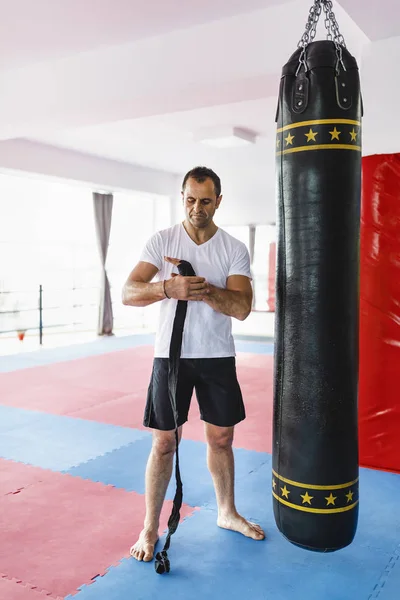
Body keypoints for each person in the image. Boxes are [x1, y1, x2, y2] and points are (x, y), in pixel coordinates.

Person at [122, 166, 265, 563]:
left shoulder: (234, 248)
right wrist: (170, 287)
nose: (196, 208)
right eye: (189, 199)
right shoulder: (162, 240)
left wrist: (199, 288)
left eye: (205, 200)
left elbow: (241, 307)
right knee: (164, 442)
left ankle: (226, 512)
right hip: (169, 357)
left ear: (218, 200)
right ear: (181, 196)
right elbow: (129, 292)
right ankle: (149, 529)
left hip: (217, 356)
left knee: (222, 439)